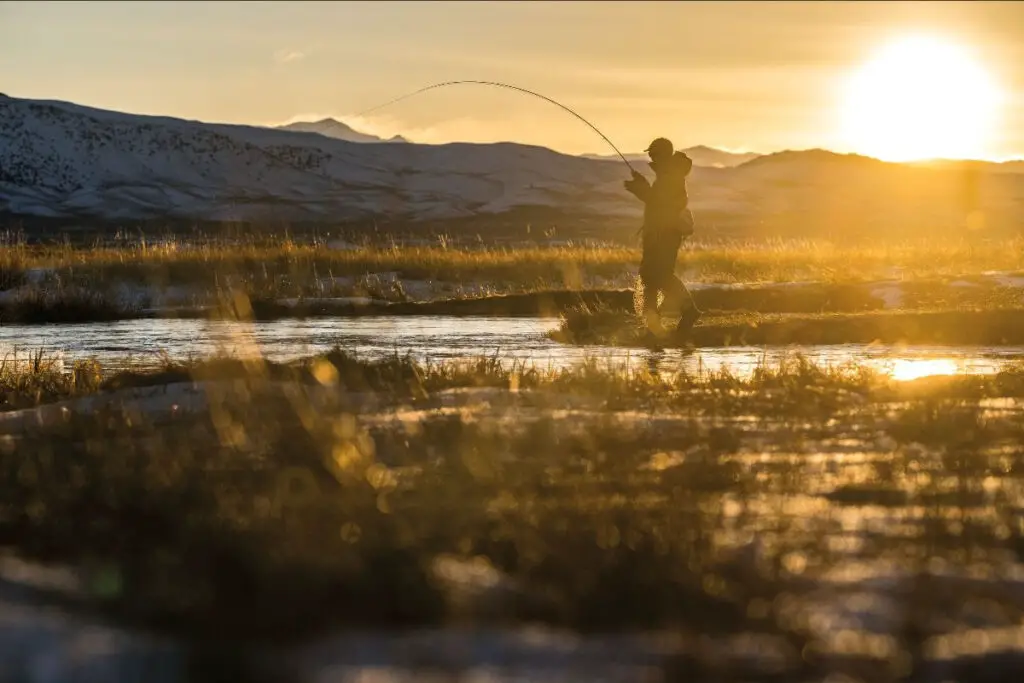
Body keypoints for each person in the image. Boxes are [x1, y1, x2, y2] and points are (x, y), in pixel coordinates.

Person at [623, 137, 702, 339]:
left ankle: (687, 311)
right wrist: (642, 186)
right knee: (651, 276)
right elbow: (659, 201)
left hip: (664, 235)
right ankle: (652, 325)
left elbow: (662, 204)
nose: (650, 156)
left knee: (660, 275)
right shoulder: (669, 175)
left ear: (661, 154)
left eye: (652, 153)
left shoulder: (671, 176)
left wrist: (641, 189)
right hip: (660, 234)